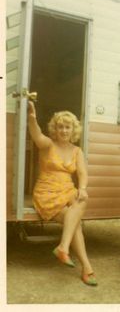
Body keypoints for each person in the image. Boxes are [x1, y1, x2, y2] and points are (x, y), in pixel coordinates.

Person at [27, 101, 97, 286]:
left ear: (73, 130)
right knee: (74, 223)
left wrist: (82, 188)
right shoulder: (48, 144)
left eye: (68, 127)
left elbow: (82, 174)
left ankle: (63, 247)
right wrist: (32, 118)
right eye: (60, 127)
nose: (64, 131)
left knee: (83, 198)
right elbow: (36, 135)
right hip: (47, 192)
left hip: (67, 190)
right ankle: (86, 267)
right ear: (55, 129)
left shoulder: (77, 151)